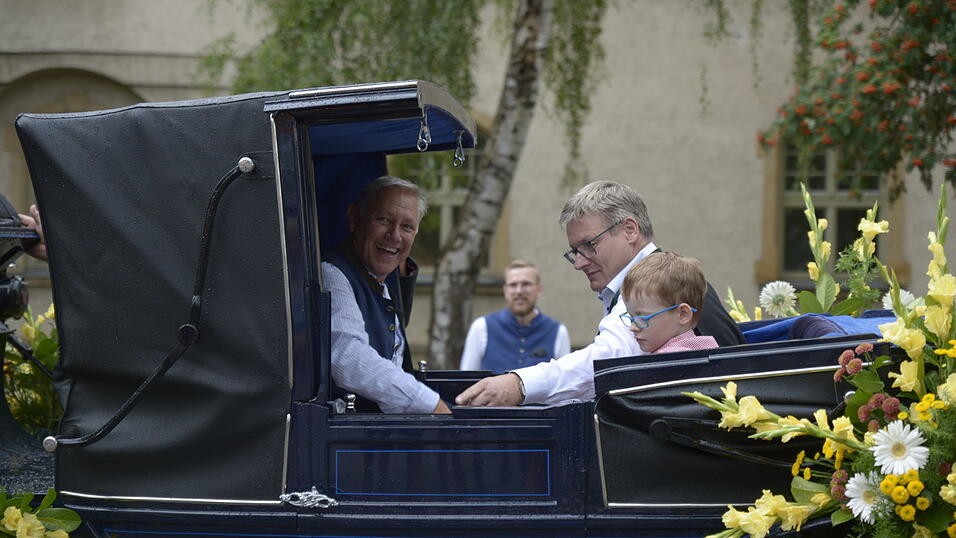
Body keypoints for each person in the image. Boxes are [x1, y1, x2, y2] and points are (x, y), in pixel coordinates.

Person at [455, 180, 743, 407]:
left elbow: (607, 362)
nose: (579, 262)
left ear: (630, 229)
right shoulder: (657, 277)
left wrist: (519, 384)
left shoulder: (654, 286)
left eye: (589, 245)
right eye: (574, 252)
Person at [321, 175, 450, 414]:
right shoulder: (331, 273)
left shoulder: (381, 285)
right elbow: (348, 356)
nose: (395, 235)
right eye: (383, 220)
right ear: (354, 219)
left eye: (407, 227)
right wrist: (431, 404)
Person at [459, 260, 570, 372]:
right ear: (505, 291)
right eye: (513, 285)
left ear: (539, 290)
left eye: (526, 284)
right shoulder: (481, 327)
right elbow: (466, 380)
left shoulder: (558, 332)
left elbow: (564, 384)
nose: (519, 291)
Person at [619, 252, 718, 354]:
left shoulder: (667, 362)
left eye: (643, 318)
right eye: (631, 318)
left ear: (682, 314)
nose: (632, 328)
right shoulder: (706, 350)